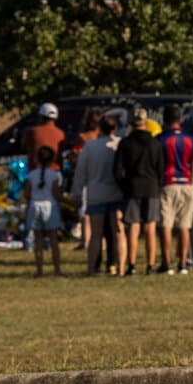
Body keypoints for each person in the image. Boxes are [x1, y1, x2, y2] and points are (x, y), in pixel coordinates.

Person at [112, 107, 160, 277]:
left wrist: (125, 186)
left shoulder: (125, 144)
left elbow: (117, 171)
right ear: (146, 122)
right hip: (152, 187)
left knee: (133, 227)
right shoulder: (155, 143)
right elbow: (160, 168)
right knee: (150, 227)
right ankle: (150, 264)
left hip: (132, 187)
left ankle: (131, 265)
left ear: (131, 123)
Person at [75, 113, 125, 275]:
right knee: (117, 232)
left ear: (99, 128)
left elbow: (81, 172)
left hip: (96, 193)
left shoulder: (90, 147)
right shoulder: (118, 145)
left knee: (96, 235)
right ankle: (118, 266)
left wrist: (76, 193)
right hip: (117, 193)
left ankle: (92, 268)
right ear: (115, 128)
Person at [156, 105, 193, 275]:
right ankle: (183, 263)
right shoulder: (190, 138)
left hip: (168, 182)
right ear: (180, 120)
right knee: (184, 225)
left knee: (166, 224)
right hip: (186, 183)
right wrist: (190, 178)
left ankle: (166, 263)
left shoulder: (161, 139)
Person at [26, 144, 64, 277]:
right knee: (53, 240)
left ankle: (39, 271)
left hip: (34, 207)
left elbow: (27, 194)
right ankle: (57, 270)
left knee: (38, 240)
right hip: (50, 206)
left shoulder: (31, 175)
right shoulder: (54, 175)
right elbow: (56, 194)